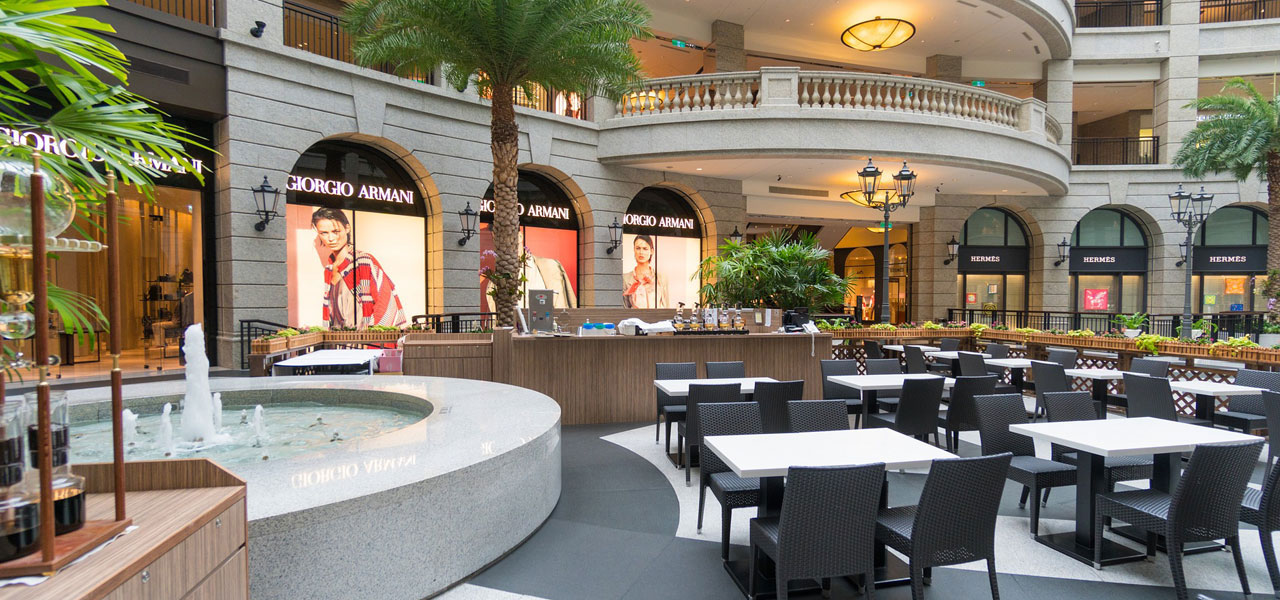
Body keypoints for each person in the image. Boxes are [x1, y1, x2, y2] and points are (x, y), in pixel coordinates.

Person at [311, 207, 407, 329]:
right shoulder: (329, 269)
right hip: (337, 338)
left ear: (347, 228)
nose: (330, 238)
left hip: (364, 337)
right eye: (324, 233)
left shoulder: (362, 261)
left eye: (336, 231)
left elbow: (385, 303)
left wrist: (373, 336)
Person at [623, 234, 668, 309]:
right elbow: (625, 308)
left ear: (652, 251)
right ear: (634, 250)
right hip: (635, 316)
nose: (641, 252)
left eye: (645, 249)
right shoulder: (626, 279)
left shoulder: (661, 278)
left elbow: (666, 306)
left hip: (657, 316)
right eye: (638, 248)